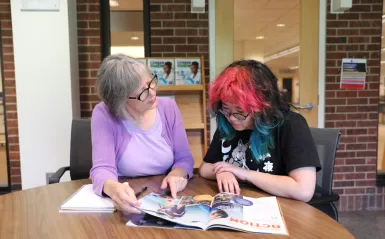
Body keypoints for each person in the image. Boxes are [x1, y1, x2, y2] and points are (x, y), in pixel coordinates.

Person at [199, 60, 321, 202]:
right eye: (226, 110)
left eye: (240, 112)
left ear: (263, 106)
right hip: (242, 204)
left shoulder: (292, 125)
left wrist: (244, 174)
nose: (232, 118)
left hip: (282, 210)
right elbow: (204, 168)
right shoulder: (227, 125)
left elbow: (303, 190)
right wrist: (223, 172)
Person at [90, 54, 194, 213]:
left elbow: (184, 157)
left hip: (164, 198)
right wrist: (113, 188)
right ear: (121, 99)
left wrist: (177, 174)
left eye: (151, 83)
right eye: (142, 92)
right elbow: (102, 168)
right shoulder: (103, 113)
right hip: (130, 198)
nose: (152, 93)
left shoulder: (168, 107)